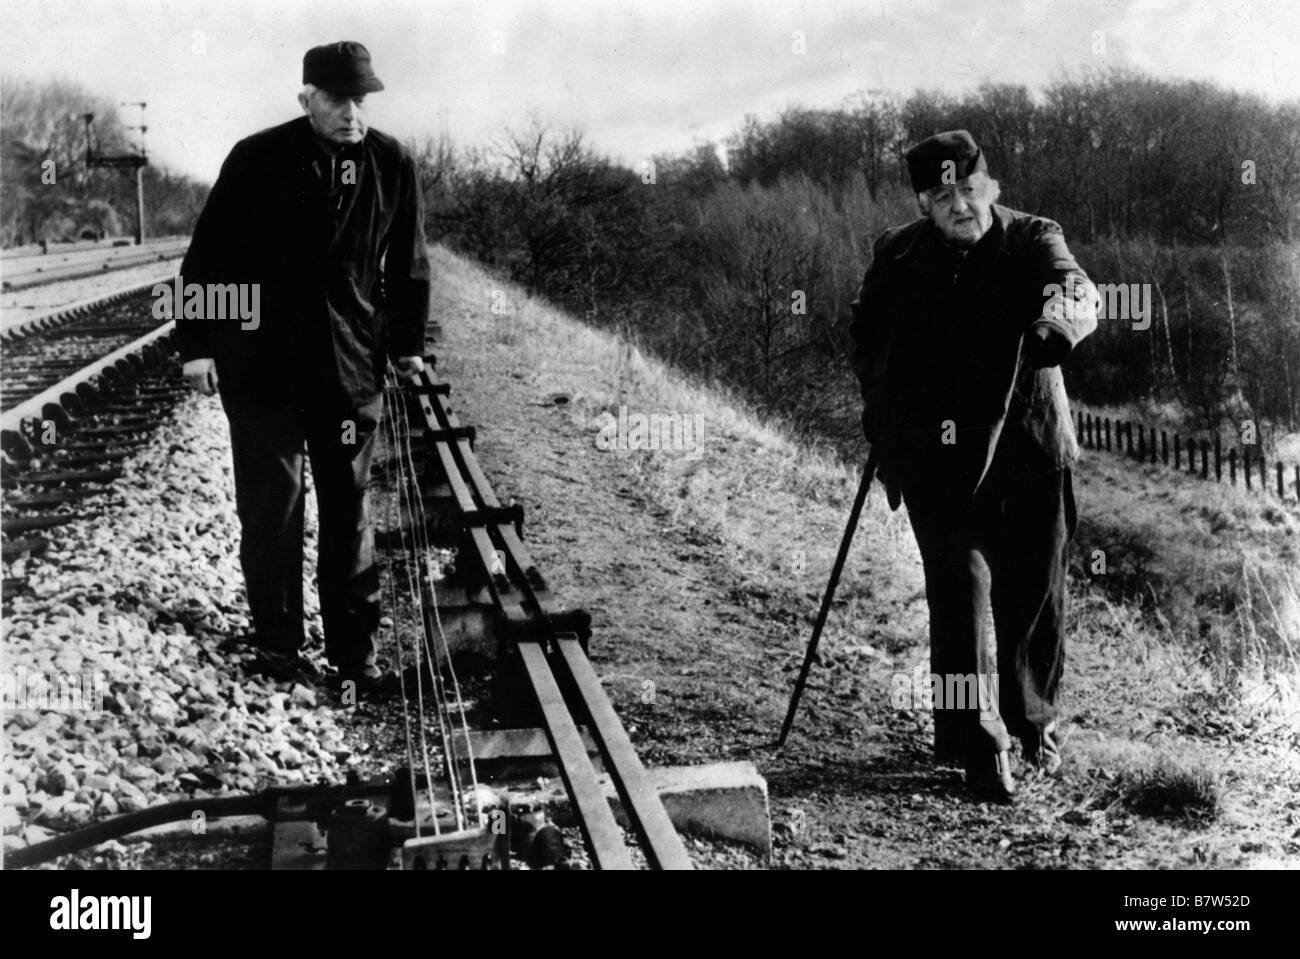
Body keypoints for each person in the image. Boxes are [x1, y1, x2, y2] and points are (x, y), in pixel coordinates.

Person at [849, 130, 1099, 801]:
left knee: (1035, 596)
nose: (960, 205)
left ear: (989, 186)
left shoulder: (1033, 237)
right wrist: (882, 409)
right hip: (939, 454)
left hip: (1030, 450)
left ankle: (1032, 722)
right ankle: (976, 745)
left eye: (970, 189)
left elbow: (1075, 288)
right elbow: (866, 335)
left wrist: (1057, 325)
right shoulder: (897, 255)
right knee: (956, 598)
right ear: (924, 203)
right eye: (942, 195)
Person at [176, 41, 431, 696]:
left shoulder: (391, 163)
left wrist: (405, 347)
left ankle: (356, 657)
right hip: (262, 373)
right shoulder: (257, 158)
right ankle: (278, 646)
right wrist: (197, 346)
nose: (352, 112)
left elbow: (407, 265)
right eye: (338, 99)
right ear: (307, 99)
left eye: (361, 100)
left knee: (348, 508)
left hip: (347, 375)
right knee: (272, 509)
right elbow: (209, 259)